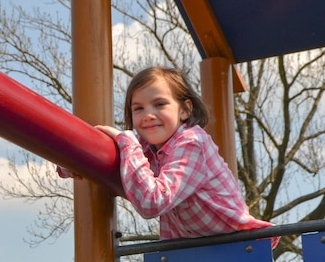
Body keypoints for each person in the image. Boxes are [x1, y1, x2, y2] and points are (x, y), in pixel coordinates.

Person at [59, 66, 278, 247]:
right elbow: (113, 165)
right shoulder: (146, 150)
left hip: (242, 249)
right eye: (138, 109)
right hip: (193, 255)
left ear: (184, 110)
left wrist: (127, 142)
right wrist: (74, 164)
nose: (148, 116)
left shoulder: (192, 143)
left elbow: (151, 203)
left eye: (160, 104)